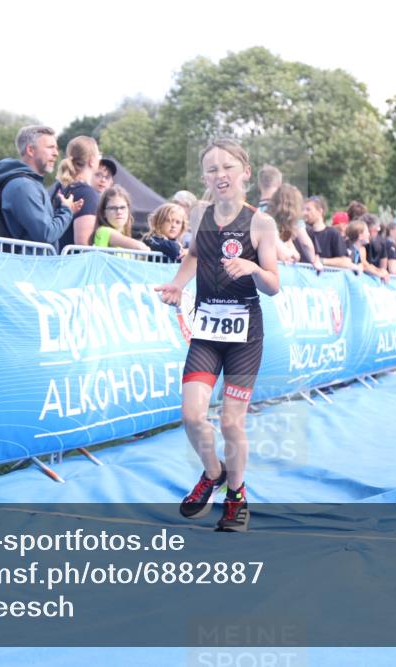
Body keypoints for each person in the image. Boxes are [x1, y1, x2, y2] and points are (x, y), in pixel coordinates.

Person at [154, 139, 280, 532]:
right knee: (192, 416)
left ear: (245, 171)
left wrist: (253, 269)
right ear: (204, 177)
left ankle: (236, 495)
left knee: (230, 423)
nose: (220, 175)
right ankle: (213, 472)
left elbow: (274, 284)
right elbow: (195, 254)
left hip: (246, 336)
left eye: (228, 167)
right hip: (207, 331)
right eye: (211, 169)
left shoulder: (261, 224)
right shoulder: (199, 214)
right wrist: (178, 284)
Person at [0, 125, 81, 247]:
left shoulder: (28, 184)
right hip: (27, 265)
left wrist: (63, 210)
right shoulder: (23, 186)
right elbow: (46, 234)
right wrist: (66, 211)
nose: (56, 153)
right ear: (30, 150)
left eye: (56, 148)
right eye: (50, 147)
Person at [53, 135, 101, 252]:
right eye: (99, 154)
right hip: (72, 267)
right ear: (92, 161)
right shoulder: (87, 193)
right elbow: (83, 244)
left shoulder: (60, 188)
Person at [92, 185, 149, 251]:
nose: (119, 212)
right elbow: (139, 247)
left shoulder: (124, 235)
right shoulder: (103, 231)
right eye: (113, 208)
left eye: (122, 207)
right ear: (103, 213)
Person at [305, 196, 353, 269]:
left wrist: (321, 261)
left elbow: (346, 261)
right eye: (304, 210)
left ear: (320, 211)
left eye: (308, 210)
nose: (305, 213)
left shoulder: (332, 233)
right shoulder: (303, 234)